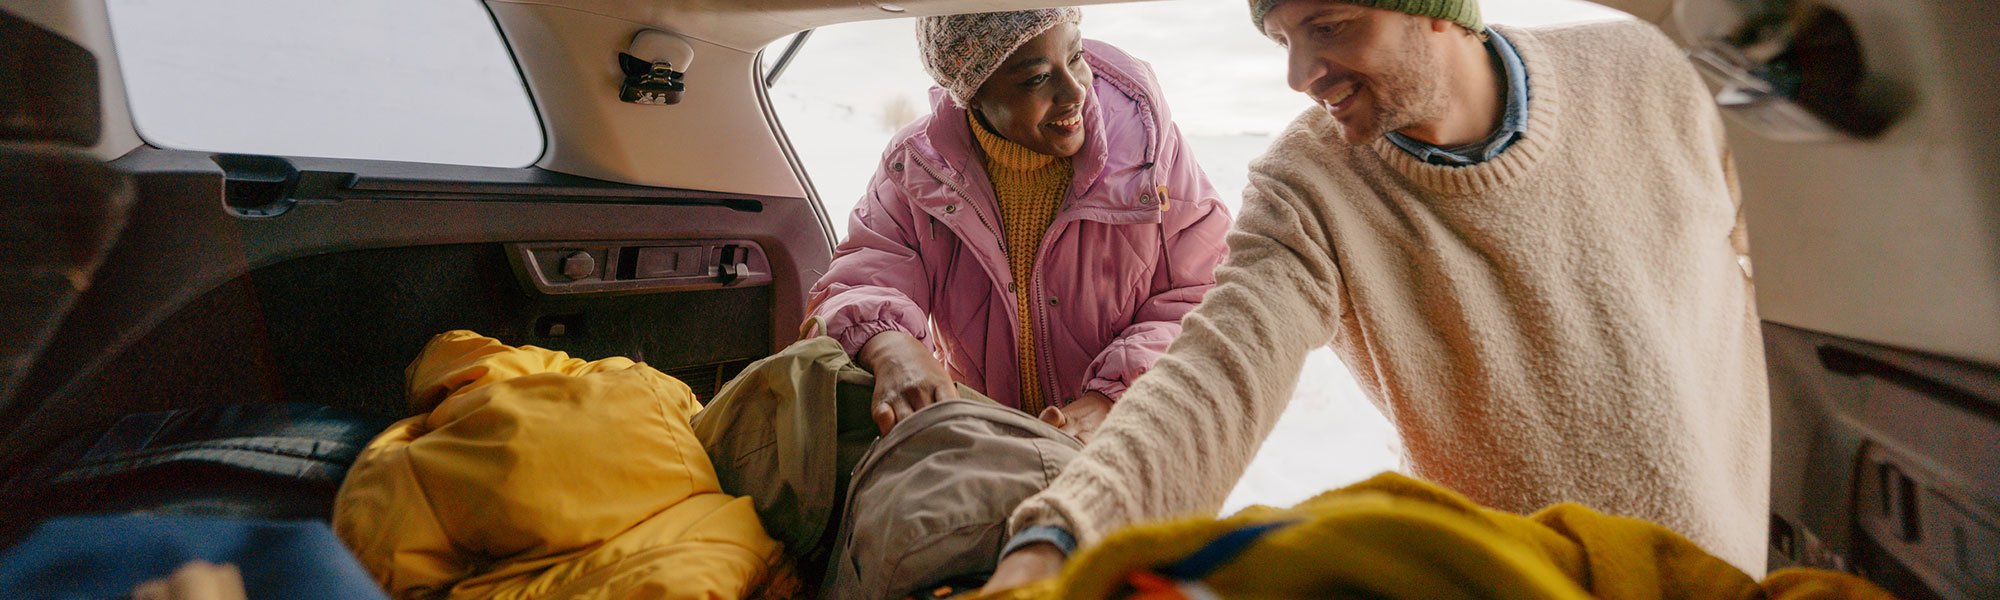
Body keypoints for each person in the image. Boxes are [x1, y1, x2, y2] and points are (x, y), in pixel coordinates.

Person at [984, 0, 1769, 589]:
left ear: (1433, 12)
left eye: (1326, 26)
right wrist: (1058, 538)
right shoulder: (1309, 187)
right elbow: (1213, 379)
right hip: (1508, 585)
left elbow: (1765, 279)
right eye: (1283, 40)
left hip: (1733, 575)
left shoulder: (1651, 76)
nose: (1299, 75)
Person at [805, 9, 1232, 441]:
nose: (1075, 91)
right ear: (972, 92)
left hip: (1131, 443)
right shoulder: (916, 167)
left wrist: (1114, 397)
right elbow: (865, 273)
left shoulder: (1151, 152)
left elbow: (1210, 296)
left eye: (1077, 57)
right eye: (1037, 78)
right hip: (987, 450)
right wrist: (892, 345)